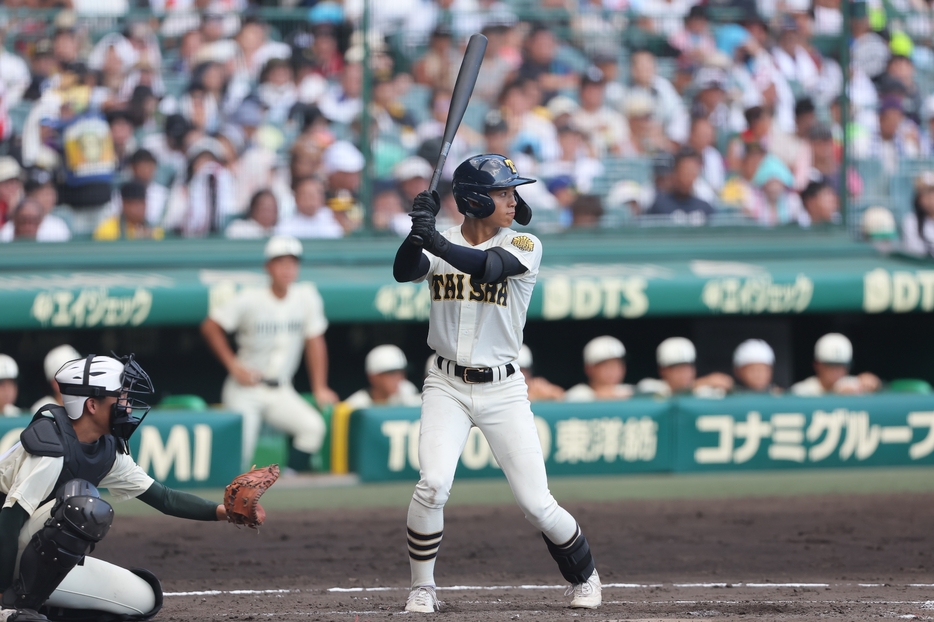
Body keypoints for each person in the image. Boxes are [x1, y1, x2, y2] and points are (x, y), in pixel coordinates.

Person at [392, 154, 602, 613]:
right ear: (473, 199)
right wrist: (418, 231)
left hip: (503, 389)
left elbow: (487, 267)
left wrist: (435, 241)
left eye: (511, 191)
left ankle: (585, 577)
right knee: (432, 485)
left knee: (536, 503)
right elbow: (404, 270)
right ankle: (422, 587)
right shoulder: (440, 240)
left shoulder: (526, 243)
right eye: (503, 192)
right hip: (445, 384)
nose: (512, 199)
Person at [0, 353, 239, 622]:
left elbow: (165, 498)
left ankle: (39, 609)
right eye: (120, 396)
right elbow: (9, 520)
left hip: (29, 552)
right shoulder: (50, 448)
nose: (127, 404)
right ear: (91, 404)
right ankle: (11, 609)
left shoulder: (107, 449)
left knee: (143, 599)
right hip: (4, 550)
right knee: (82, 505)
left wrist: (227, 511)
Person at [201, 236, 336, 472]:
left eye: (292, 262)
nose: (287, 269)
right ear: (268, 266)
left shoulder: (306, 297)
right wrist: (233, 365)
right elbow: (210, 326)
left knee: (312, 427)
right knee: (240, 454)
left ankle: (290, 482)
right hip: (246, 389)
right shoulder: (250, 298)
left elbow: (315, 341)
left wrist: (319, 386)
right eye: (280, 262)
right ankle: (230, 505)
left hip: (280, 389)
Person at [637, 337, 734, 398]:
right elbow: (665, 393)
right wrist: (706, 381)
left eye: (687, 367)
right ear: (662, 370)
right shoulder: (650, 386)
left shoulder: (702, 392)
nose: (684, 373)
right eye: (677, 368)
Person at [790, 333, 881, 396]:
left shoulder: (855, 385)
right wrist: (837, 396)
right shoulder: (802, 391)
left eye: (842, 366)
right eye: (831, 365)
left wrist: (876, 384)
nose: (837, 371)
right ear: (817, 365)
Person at [343, 345, 421, 410]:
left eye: (401, 372)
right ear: (373, 377)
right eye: (392, 373)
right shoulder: (355, 406)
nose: (399, 378)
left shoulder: (407, 391)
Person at [565, 336, 633, 402]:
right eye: (606, 365)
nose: (613, 370)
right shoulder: (575, 396)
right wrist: (596, 397)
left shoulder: (630, 392)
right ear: (589, 369)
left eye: (618, 364)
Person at [93, 181, 165, 241]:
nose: (139, 208)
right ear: (123, 204)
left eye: (142, 203)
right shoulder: (107, 230)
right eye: (134, 204)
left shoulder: (155, 230)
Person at [29, 345, 81, 415]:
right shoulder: (42, 410)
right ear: (55, 383)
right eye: (71, 375)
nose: (78, 379)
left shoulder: (88, 404)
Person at [902, 171, 934, 256]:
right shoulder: (911, 221)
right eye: (926, 195)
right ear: (919, 199)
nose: (931, 199)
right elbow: (914, 249)